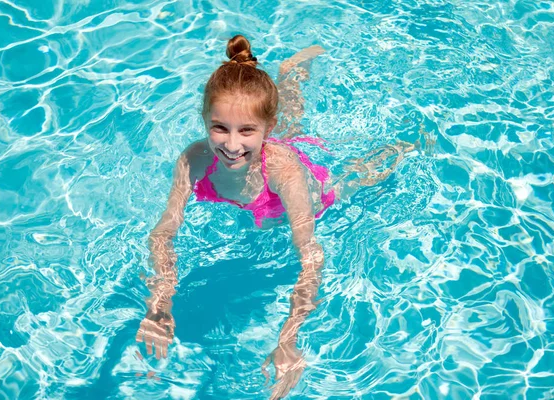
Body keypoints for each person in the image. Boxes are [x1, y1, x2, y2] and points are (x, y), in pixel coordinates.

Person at [135, 34, 413, 399]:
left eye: (246, 130)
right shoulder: (194, 159)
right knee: (285, 128)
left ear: (263, 131)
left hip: (296, 193)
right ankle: (290, 76)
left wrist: (289, 337)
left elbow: (310, 254)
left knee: (350, 181)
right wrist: (160, 304)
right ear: (204, 121)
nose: (231, 146)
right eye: (219, 127)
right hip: (261, 174)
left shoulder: (284, 170)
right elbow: (163, 233)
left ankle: (408, 145)